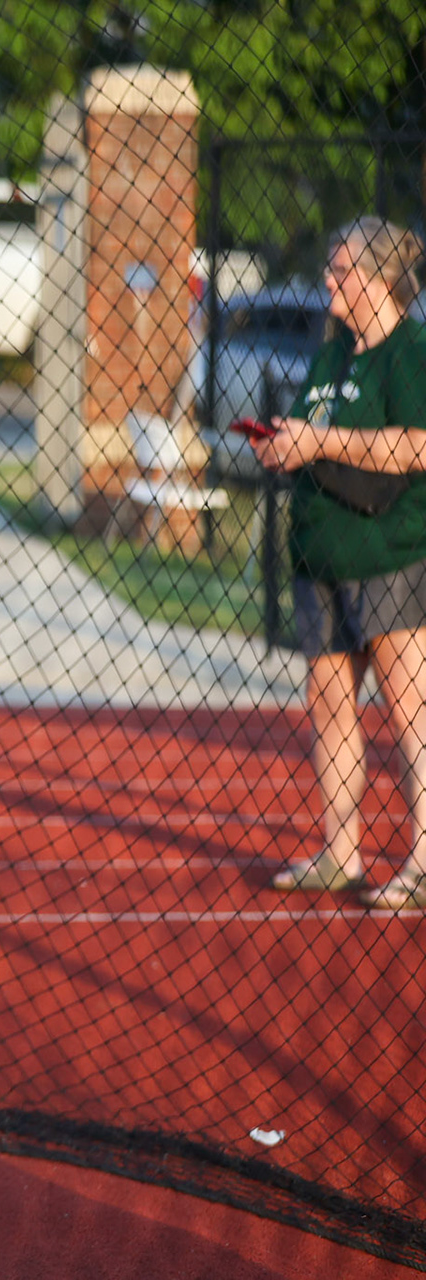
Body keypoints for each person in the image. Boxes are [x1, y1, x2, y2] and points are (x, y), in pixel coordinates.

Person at [252, 218, 426, 908]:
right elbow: (311, 435)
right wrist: (282, 445)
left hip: (388, 553)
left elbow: (418, 446)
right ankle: (340, 850)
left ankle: (422, 862)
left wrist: (319, 440)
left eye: (341, 268)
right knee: (330, 704)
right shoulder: (332, 353)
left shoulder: (411, 349)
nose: (329, 278)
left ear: (380, 278)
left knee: (411, 711)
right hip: (319, 552)